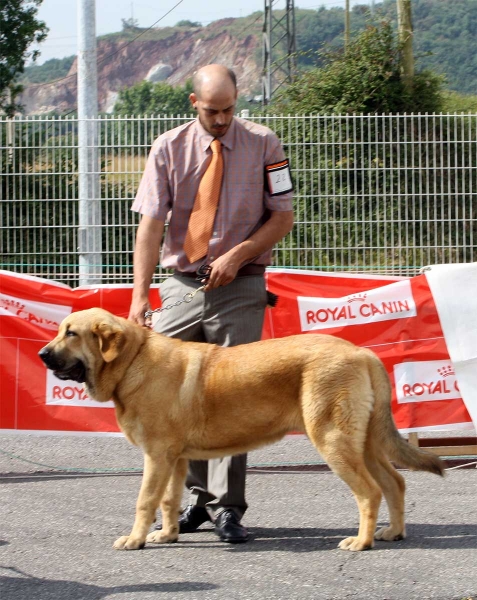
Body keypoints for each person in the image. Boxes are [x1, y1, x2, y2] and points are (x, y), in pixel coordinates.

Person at [128, 64, 294, 543]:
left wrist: (237, 255)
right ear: (193, 103)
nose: (222, 120)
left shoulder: (265, 143)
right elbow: (151, 228)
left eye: (229, 110)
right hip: (181, 284)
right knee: (169, 394)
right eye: (213, 111)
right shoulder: (167, 148)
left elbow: (283, 217)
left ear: (237, 101)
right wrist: (141, 298)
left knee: (229, 394)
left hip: (241, 283)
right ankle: (195, 502)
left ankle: (226, 508)